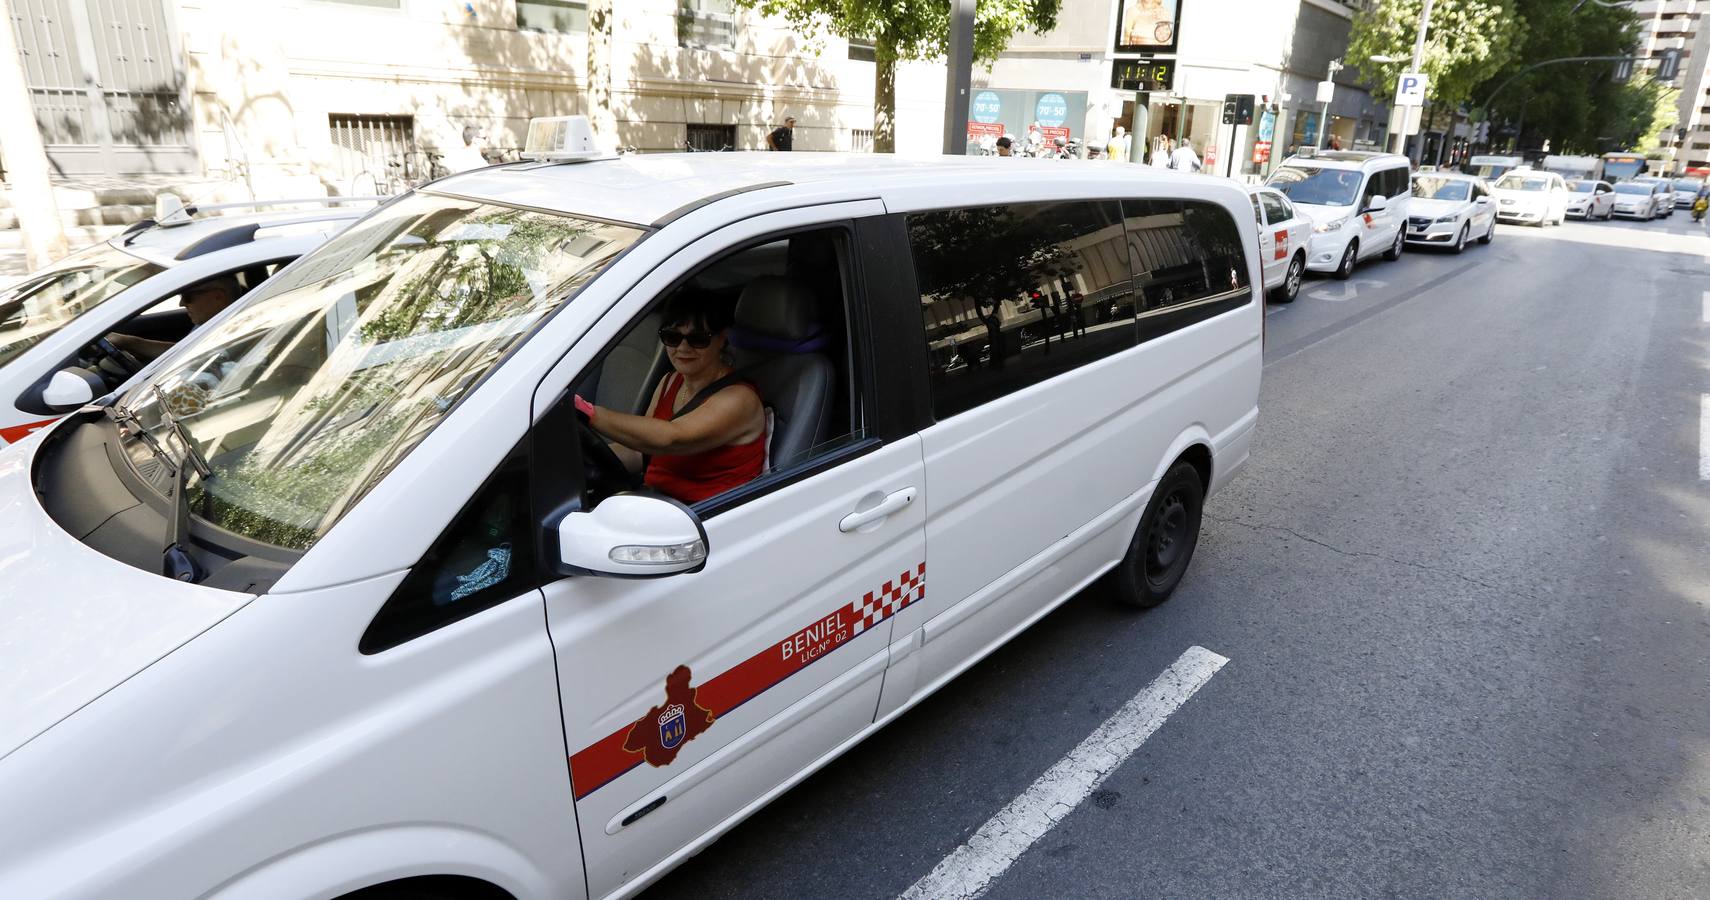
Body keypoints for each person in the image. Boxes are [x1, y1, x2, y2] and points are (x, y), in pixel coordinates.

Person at [576, 293, 766, 505]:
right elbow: (640, 452)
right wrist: (577, 462)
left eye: (698, 339)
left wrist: (588, 413)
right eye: (672, 337)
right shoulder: (670, 381)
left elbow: (673, 438)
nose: (683, 348)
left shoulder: (739, 398)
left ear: (722, 338)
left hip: (704, 519)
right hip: (657, 504)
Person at [109, 275, 242, 363]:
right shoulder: (208, 323)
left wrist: (131, 343)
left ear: (218, 296)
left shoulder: (236, 334)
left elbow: (191, 358)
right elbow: (184, 352)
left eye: (188, 297)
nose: (182, 304)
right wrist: (129, 342)